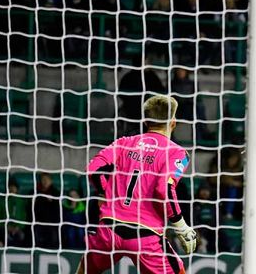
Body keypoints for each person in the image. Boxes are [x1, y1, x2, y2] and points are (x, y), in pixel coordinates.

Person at [77, 95, 196, 274]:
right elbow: (163, 189)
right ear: (173, 122)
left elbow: (94, 169)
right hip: (145, 235)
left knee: (85, 270)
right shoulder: (177, 153)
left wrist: (104, 192)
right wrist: (181, 226)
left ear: (146, 121)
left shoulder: (124, 142)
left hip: (109, 229)